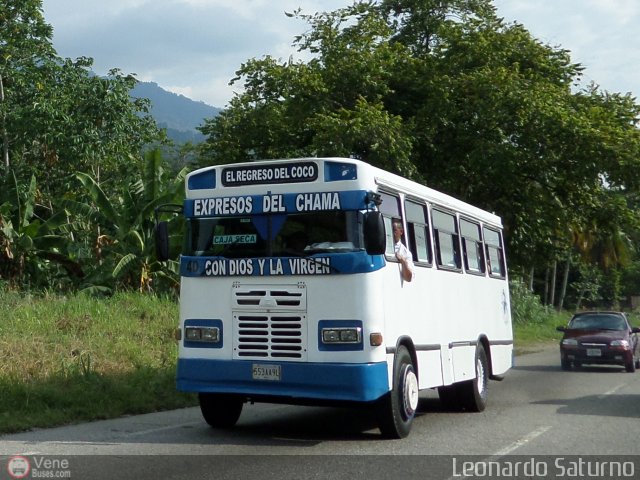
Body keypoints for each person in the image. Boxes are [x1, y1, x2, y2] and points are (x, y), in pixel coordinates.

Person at [392, 218, 414, 282]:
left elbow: (409, 278)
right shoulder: (383, 245)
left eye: (394, 230)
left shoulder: (405, 253)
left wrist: (403, 261)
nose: (392, 233)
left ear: (401, 231)